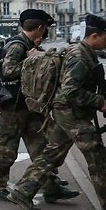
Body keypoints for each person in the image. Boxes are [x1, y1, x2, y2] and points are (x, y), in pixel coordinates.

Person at [8, 14, 106, 210]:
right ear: (95, 35)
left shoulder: (82, 51)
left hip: (67, 111)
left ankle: (23, 190)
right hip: (71, 112)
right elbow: (71, 91)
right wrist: (100, 102)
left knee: (52, 153)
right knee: (97, 156)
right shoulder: (80, 55)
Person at [0, 9, 78, 202]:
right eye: (44, 30)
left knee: (41, 148)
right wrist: (31, 60)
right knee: (6, 149)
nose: (44, 34)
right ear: (39, 28)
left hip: (30, 107)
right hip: (13, 108)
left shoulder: (29, 44)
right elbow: (8, 70)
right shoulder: (18, 45)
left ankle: (51, 187)